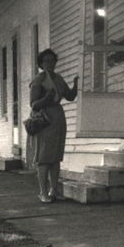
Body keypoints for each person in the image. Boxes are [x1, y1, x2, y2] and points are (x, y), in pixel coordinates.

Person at [29, 49, 78, 203]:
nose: (50, 64)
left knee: (55, 157)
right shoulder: (39, 80)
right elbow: (34, 104)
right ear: (41, 64)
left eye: (52, 61)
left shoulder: (58, 78)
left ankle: (54, 190)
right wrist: (46, 98)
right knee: (44, 157)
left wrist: (76, 85)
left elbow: (69, 96)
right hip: (44, 118)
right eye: (46, 61)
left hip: (57, 116)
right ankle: (43, 192)